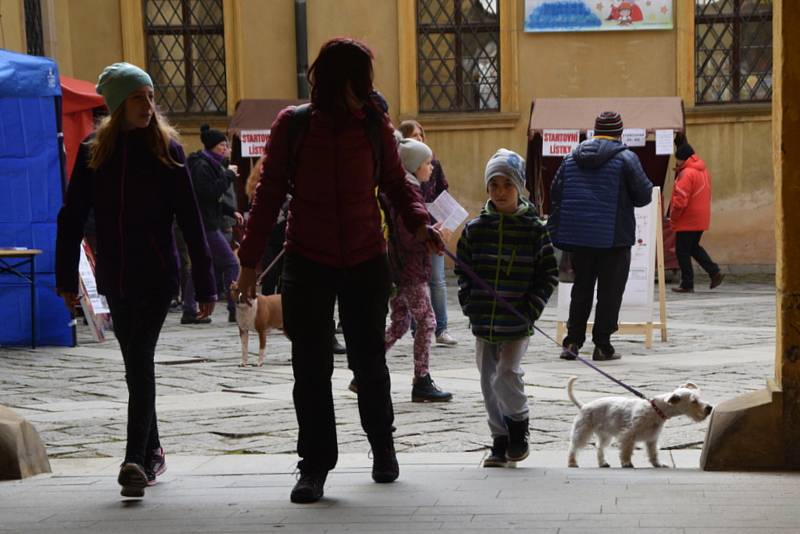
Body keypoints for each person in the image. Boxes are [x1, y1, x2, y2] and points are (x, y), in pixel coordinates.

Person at [235, 37, 442, 504]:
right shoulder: (295, 124)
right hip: (307, 260)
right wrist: (249, 265)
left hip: (366, 259)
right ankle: (314, 466)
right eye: (360, 78)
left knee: (369, 361)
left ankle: (382, 446)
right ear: (336, 79)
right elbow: (267, 195)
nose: (367, 88)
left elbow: (395, 183)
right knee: (310, 367)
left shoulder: (373, 123)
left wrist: (421, 223)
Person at [55, 62, 216, 498]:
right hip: (115, 275)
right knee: (136, 366)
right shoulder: (94, 151)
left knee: (139, 362)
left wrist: (204, 284)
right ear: (118, 105)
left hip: (158, 274)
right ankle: (154, 450)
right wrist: (67, 275)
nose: (147, 105)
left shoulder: (167, 149)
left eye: (149, 97)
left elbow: (191, 219)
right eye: (137, 98)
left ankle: (134, 460)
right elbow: (70, 218)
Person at [455, 148, 558, 468]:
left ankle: (519, 429)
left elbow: (548, 274)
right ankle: (499, 440)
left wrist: (531, 309)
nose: (500, 191)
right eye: (494, 184)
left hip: (517, 321)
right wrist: (470, 304)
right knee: (488, 379)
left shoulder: (534, 229)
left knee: (507, 373)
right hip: (484, 322)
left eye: (507, 185)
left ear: (519, 188)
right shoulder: (475, 229)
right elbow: (463, 271)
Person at [547, 111, 653, 362]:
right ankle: (602, 345)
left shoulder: (571, 157)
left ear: (594, 131)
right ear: (620, 132)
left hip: (579, 237)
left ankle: (572, 342)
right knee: (610, 292)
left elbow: (555, 191)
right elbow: (644, 195)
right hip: (614, 237)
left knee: (581, 289)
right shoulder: (627, 158)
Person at [383, 138, 453, 402]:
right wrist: (432, 235)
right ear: (413, 167)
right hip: (410, 269)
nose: (432, 167)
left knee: (400, 322)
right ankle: (421, 379)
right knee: (427, 322)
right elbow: (408, 234)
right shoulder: (407, 194)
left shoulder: (409, 191)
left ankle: (366, 367)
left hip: (403, 267)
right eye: (427, 163)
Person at [399, 120, 457, 346]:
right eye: (414, 136)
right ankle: (418, 329)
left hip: (434, 229)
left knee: (438, 280)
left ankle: (441, 328)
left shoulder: (433, 164)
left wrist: (446, 221)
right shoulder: (399, 171)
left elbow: (443, 194)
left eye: (422, 135)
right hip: (412, 234)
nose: (420, 139)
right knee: (416, 283)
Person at [181, 125, 243, 324]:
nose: (225, 149)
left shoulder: (211, 164)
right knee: (231, 263)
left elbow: (213, 199)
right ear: (211, 147)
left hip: (206, 221)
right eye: (221, 146)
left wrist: (229, 210)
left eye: (226, 145)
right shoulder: (202, 166)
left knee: (202, 263)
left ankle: (189, 309)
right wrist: (228, 175)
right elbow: (208, 193)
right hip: (204, 224)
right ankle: (234, 308)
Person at [669, 142, 724, 293]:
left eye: (678, 160)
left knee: (682, 251)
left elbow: (680, 200)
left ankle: (687, 283)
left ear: (682, 159)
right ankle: (714, 272)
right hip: (701, 216)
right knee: (693, 247)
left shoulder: (687, 173)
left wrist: (673, 217)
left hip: (688, 218)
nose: (677, 163)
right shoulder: (702, 170)